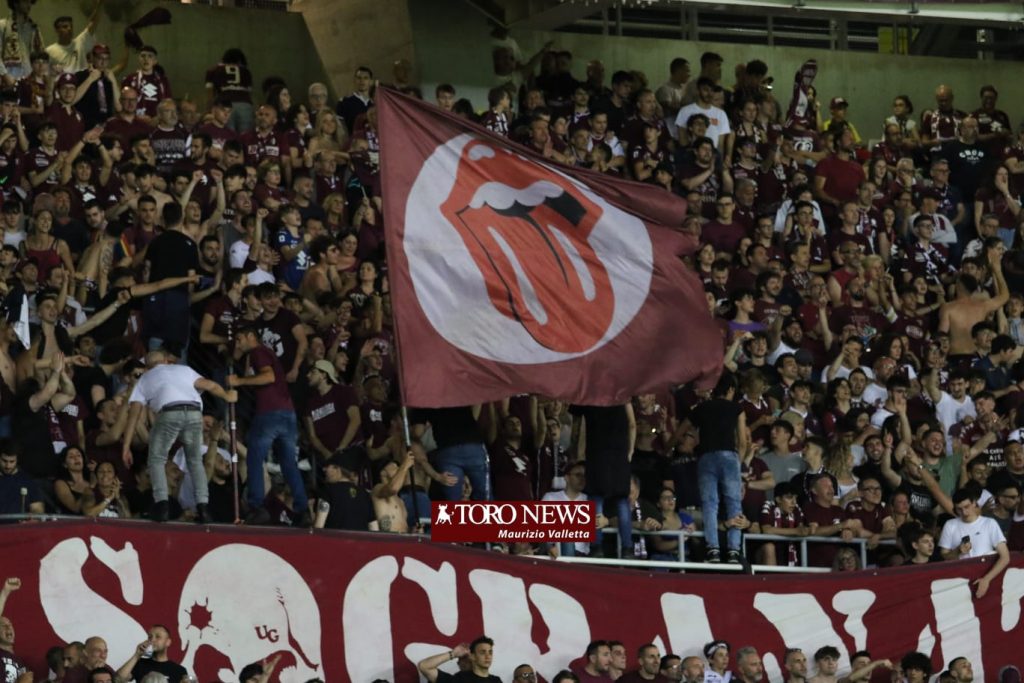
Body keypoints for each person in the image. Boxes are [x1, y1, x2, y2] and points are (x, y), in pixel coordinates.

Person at [122, 349, 237, 523]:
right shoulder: (183, 370)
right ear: (167, 361)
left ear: (147, 367)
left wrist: (126, 446)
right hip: (193, 412)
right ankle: (203, 507)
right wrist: (227, 396)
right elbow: (211, 386)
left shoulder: (145, 378)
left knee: (156, 459)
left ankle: (161, 504)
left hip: (169, 412)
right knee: (195, 460)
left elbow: (134, 413)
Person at [228, 326, 310, 526]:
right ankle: (302, 509)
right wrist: (236, 353)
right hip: (288, 414)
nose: (238, 344)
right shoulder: (265, 353)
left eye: (239, 339)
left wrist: (238, 381)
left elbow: (268, 376)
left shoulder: (258, 352)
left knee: (255, 458)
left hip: (269, 413)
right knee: (288, 463)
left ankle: (257, 506)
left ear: (250, 335)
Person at [677, 372, 747, 563]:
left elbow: (681, 430)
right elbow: (742, 442)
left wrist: (669, 447)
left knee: (709, 505)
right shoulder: (736, 408)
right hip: (729, 456)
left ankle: (713, 549)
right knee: (733, 503)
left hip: (706, 457)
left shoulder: (702, 407)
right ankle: (734, 550)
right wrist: (737, 464)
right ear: (731, 389)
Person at [938, 487, 1010, 597]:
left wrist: (986, 579)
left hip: (986, 577)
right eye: (959, 509)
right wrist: (957, 551)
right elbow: (944, 557)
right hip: (959, 581)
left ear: (974, 503)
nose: (964, 512)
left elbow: (1005, 557)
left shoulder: (989, 523)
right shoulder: (950, 525)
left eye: (966, 507)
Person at [313, 447, 375, 531]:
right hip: (361, 543)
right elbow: (374, 529)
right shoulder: (365, 494)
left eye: (328, 466)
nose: (324, 469)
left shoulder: (327, 490)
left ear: (337, 469)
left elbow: (318, 528)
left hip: (334, 543)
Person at [115, 625, 188, 682]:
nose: (152, 640)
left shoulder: (179, 670)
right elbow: (117, 680)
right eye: (150, 637)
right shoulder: (140, 664)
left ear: (168, 642)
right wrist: (136, 655)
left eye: (158, 637)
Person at [418, 637, 501, 683]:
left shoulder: (496, 680)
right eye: (483, 652)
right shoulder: (459, 679)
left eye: (490, 652)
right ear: (473, 657)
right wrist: (453, 654)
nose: (488, 656)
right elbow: (424, 666)